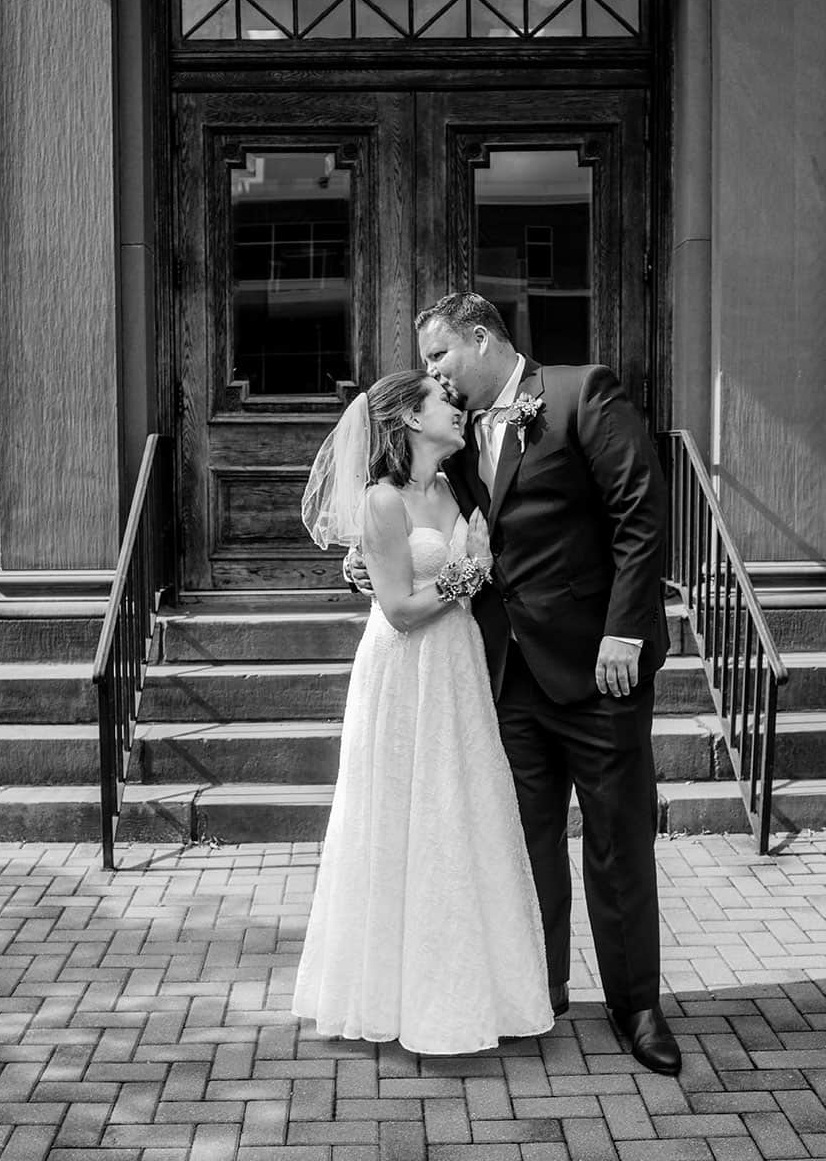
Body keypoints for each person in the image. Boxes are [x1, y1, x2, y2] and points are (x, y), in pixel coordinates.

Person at [349, 292, 681, 1076]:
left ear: (479, 337)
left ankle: (637, 1007)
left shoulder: (580, 394)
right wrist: (365, 555)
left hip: (602, 666)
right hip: (501, 675)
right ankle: (543, 986)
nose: (433, 373)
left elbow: (641, 514)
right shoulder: (454, 433)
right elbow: (417, 504)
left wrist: (624, 630)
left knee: (616, 843)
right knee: (523, 839)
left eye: (438, 357)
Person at [292, 369, 554, 1055]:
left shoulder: (451, 487)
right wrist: (467, 575)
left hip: (459, 666)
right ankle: (393, 996)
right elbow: (401, 611)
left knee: (460, 815)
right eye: (445, 401)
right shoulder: (383, 503)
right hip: (407, 670)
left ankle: (474, 991)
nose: (457, 408)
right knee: (403, 815)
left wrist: (473, 572)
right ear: (409, 417)